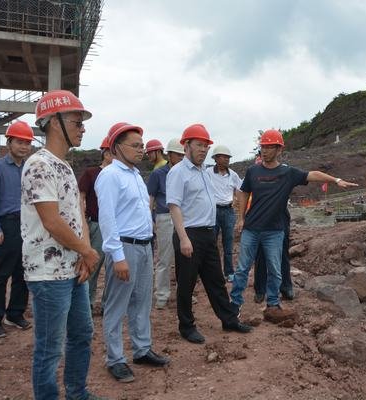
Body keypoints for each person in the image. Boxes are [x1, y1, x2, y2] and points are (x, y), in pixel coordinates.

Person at [21, 90, 105, 400]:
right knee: (49, 347)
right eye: (77, 122)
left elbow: (77, 214)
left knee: (82, 334)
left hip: (72, 268)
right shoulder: (38, 165)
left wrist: (84, 254)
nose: (83, 128)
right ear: (55, 122)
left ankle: (77, 393)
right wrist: (88, 251)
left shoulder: (65, 166)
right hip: (48, 273)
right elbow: (52, 221)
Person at [230, 129, 358, 321]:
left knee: (275, 269)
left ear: (279, 149)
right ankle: (235, 304)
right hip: (252, 229)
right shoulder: (253, 171)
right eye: (263, 146)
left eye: (269, 147)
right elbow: (244, 192)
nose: (264, 150)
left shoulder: (287, 173)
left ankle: (273, 304)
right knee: (242, 269)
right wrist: (241, 218)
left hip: (274, 231)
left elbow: (312, 174)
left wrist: (336, 180)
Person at [96, 122, 169, 383]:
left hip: (144, 246)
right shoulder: (110, 176)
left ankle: (142, 349)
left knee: (142, 301)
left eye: (142, 145)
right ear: (117, 147)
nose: (141, 150)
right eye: (135, 145)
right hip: (125, 247)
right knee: (117, 305)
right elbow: (107, 219)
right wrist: (117, 257)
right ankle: (115, 359)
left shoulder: (136, 175)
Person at [167, 124, 252, 344]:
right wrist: (183, 238)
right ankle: (187, 326)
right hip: (189, 234)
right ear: (186, 146)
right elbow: (174, 206)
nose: (203, 150)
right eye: (199, 145)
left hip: (207, 233)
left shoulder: (204, 171)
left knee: (216, 280)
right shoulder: (178, 172)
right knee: (186, 283)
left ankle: (229, 319)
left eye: (206, 146)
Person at [0, 121, 33, 338]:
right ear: (9, 143)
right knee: (1, 274)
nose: (24, 146)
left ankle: (15, 313)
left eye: (27, 143)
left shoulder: (29, 168)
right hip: (6, 225)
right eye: (19, 142)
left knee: (23, 272)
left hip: (27, 225)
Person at [147, 138, 185, 309]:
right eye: (178, 154)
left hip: (184, 217)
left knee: (184, 257)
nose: (181, 158)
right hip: (165, 217)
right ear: (169, 155)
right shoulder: (158, 174)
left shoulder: (185, 172)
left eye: (183, 155)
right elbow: (151, 198)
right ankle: (162, 295)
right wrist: (150, 219)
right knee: (164, 258)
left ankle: (185, 293)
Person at [78, 136, 113, 315]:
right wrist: (82, 219)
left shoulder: (119, 175)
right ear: (106, 154)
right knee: (94, 264)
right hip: (98, 224)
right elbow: (81, 197)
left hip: (116, 227)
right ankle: (88, 302)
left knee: (113, 268)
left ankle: (108, 303)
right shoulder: (91, 173)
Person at [207, 144, 243, 282]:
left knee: (228, 243)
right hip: (213, 211)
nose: (227, 159)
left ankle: (229, 272)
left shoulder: (233, 175)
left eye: (228, 157)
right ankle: (212, 272)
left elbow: (240, 192)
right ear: (216, 158)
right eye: (224, 157)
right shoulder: (208, 173)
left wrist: (241, 214)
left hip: (228, 211)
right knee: (211, 243)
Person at [253, 208, 292, 303]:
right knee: (260, 253)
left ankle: (286, 286)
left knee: (283, 251)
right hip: (261, 213)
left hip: (280, 213)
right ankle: (260, 290)